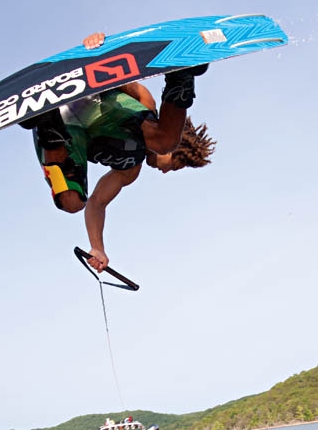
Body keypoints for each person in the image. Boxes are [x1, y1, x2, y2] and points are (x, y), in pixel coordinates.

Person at [21, 32, 216, 273]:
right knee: (162, 141)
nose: (164, 171)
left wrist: (98, 248)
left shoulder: (129, 171)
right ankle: (182, 75)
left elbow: (96, 203)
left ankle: (44, 118)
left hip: (62, 128)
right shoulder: (147, 105)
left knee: (71, 202)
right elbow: (125, 77)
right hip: (89, 97)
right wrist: (96, 52)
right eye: (172, 165)